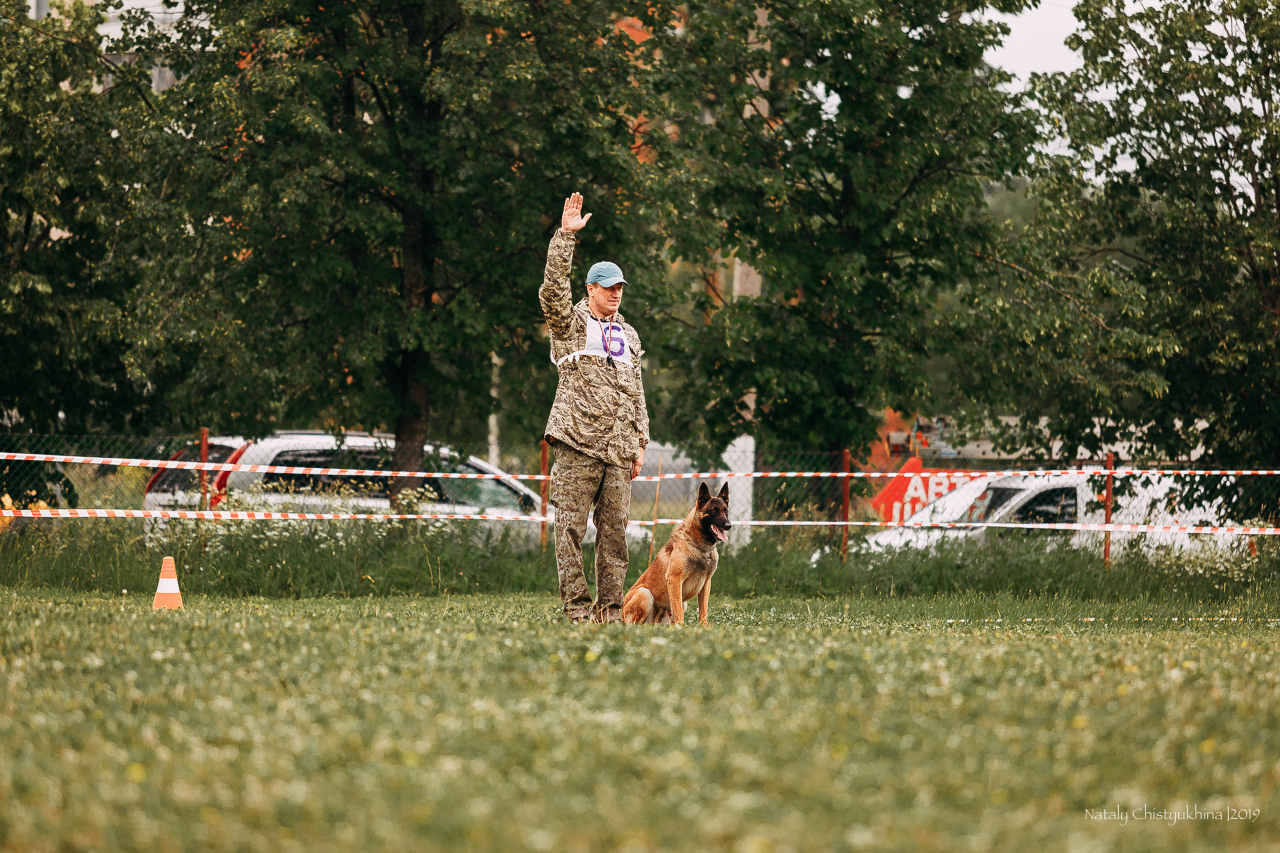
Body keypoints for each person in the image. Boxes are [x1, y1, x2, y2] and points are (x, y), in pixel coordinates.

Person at [540, 192, 649, 623]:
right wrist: (565, 237)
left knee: (615, 538)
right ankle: (578, 611)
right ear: (590, 289)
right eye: (609, 288)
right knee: (568, 532)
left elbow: (638, 390)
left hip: (619, 453)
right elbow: (551, 293)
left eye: (620, 288)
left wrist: (640, 441)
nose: (616, 294)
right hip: (577, 444)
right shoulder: (570, 324)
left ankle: (609, 611)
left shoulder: (630, 335)